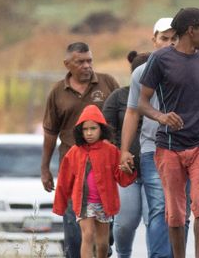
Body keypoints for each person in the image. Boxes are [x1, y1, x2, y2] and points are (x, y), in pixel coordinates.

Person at [137, 7, 199, 258]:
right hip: (169, 145)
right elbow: (142, 102)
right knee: (176, 212)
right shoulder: (160, 60)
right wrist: (161, 116)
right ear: (191, 30)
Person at [43, 42, 121, 258]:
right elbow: (50, 132)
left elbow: (125, 117)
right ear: (67, 64)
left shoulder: (107, 83)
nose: (87, 66)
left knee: (105, 238)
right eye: (81, 62)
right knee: (75, 229)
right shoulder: (58, 92)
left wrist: (122, 154)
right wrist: (45, 169)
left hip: (105, 166)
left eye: (90, 60)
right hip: (73, 167)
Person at [115, 17, 177, 258]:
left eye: (174, 39)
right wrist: (124, 150)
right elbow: (131, 112)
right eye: (164, 38)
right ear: (154, 40)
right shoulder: (141, 72)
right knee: (158, 208)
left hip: (186, 148)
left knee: (180, 212)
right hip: (153, 148)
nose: (169, 44)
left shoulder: (191, 67)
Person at [54, 105, 138, 258]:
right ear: (80, 131)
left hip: (104, 203)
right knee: (88, 235)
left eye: (93, 128)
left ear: (101, 129)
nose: (89, 133)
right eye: (85, 129)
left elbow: (121, 177)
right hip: (84, 203)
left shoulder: (111, 151)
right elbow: (64, 181)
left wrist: (128, 170)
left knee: (103, 243)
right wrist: (60, 205)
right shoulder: (75, 152)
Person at [103, 51, 149, 258]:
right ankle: (123, 254)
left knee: (155, 220)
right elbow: (106, 133)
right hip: (126, 173)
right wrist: (119, 155)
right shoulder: (118, 97)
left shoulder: (164, 98)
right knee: (124, 223)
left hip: (155, 169)